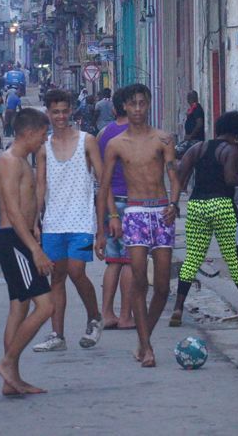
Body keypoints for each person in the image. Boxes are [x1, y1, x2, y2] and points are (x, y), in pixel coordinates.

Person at [99, 83, 181, 368]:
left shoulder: (163, 139)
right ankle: (146, 347)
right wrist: (111, 218)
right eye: (132, 104)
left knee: (161, 287)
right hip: (133, 213)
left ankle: (144, 339)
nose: (137, 109)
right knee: (138, 280)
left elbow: (173, 174)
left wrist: (173, 203)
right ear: (124, 107)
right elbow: (105, 185)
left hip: (161, 212)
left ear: (148, 105)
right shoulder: (116, 144)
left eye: (142, 103)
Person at [171, 111, 238, 326]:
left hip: (197, 206)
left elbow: (181, 174)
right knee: (233, 258)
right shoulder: (231, 150)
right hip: (222, 206)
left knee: (192, 258)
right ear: (237, 135)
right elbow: (231, 179)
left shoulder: (197, 148)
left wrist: (175, 201)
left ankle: (178, 308)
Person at [32, 89, 105, 353]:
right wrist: (35, 222)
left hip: (82, 222)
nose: (61, 116)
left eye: (64, 111)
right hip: (53, 222)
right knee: (57, 277)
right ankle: (57, 335)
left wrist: (106, 221)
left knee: (77, 272)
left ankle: (94, 317)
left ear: (71, 110)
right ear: (48, 114)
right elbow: (40, 187)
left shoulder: (87, 141)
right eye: (55, 112)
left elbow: (102, 180)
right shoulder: (43, 148)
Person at [0, 107, 54, 396]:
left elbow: (26, 207)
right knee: (46, 306)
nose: (44, 139)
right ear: (28, 133)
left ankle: (11, 380)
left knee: (19, 307)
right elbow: (13, 213)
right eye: (42, 134)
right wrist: (34, 250)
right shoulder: (9, 161)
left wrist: (36, 228)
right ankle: (8, 363)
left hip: (21, 238)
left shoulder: (21, 161)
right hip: (15, 241)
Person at [97, 88, 136, 330]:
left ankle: (107, 313)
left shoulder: (104, 134)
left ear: (114, 109)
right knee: (130, 261)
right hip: (133, 202)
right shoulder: (137, 134)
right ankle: (126, 316)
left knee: (114, 261)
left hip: (109, 200)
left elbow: (100, 174)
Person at [178, 91, 205, 159]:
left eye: (189, 98)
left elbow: (199, 124)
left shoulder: (197, 108)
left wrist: (191, 136)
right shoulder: (193, 108)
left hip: (196, 140)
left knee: (178, 150)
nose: (188, 100)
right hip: (192, 140)